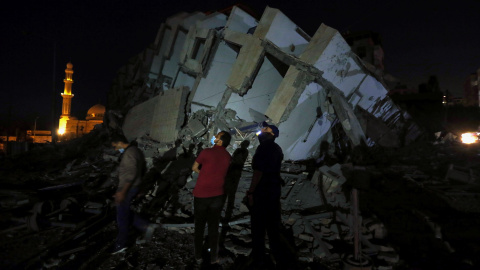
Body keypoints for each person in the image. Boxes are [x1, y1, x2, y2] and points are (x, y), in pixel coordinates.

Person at [247, 122, 292, 268]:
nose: (261, 130)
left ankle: (259, 258)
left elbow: (258, 171)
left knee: (258, 225)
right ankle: (278, 257)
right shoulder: (277, 148)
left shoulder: (264, 147)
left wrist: (251, 191)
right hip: (273, 190)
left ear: (272, 133)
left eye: (265, 129)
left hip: (262, 191)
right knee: (273, 225)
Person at [111, 134, 158, 254]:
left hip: (127, 188)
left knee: (122, 217)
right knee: (125, 211)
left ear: (120, 142)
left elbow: (131, 174)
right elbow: (142, 170)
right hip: (134, 187)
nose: (116, 149)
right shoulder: (137, 151)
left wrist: (122, 191)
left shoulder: (129, 154)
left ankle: (121, 244)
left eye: (116, 146)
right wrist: (140, 188)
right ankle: (145, 226)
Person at [192, 131, 232, 266]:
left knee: (199, 227)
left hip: (201, 194)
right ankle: (214, 257)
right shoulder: (228, 156)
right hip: (218, 195)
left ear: (220, 141)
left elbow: (194, 167)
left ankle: (198, 256)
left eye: (217, 136)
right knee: (214, 228)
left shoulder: (206, 152)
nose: (215, 137)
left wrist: (204, 173)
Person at [223, 140, 250, 225]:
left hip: (236, 169)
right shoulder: (241, 151)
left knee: (231, 189)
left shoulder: (243, 151)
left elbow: (237, 159)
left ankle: (228, 207)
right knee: (228, 188)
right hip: (234, 169)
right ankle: (227, 206)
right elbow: (234, 158)